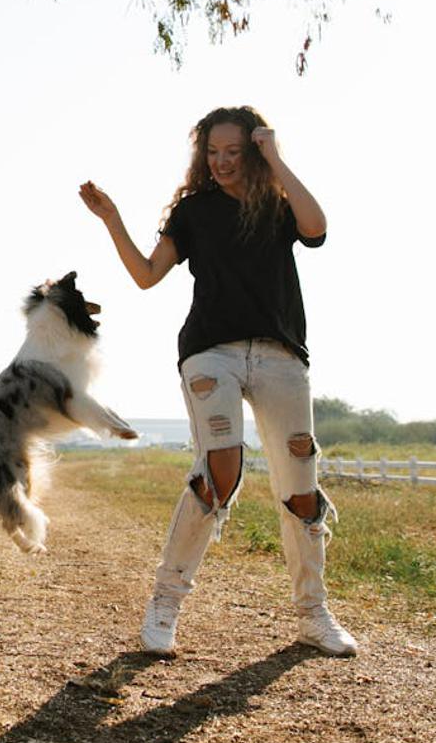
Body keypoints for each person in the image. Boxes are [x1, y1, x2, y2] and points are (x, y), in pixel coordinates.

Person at [77, 105, 357, 658]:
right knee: (220, 471)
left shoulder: (276, 206)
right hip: (210, 354)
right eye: (213, 152)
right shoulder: (194, 212)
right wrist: (112, 218)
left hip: (280, 356)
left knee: (301, 487)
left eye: (234, 152)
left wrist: (276, 157)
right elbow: (146, 275)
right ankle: (165, 603)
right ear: (201, 155)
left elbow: (317, 227)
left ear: (252, 152)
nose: (222, 162)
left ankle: (312, 613)